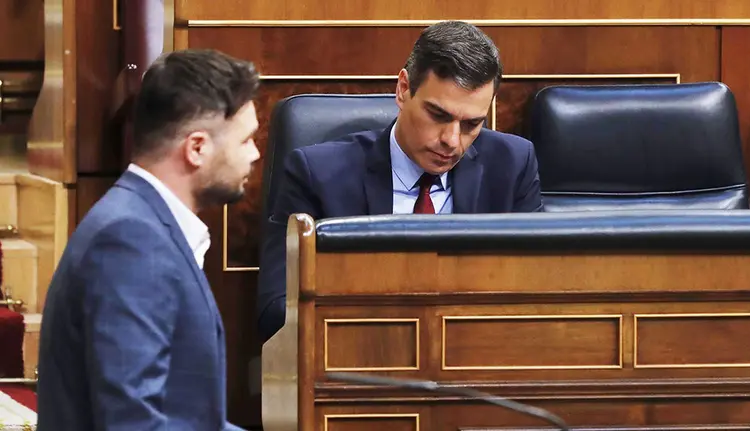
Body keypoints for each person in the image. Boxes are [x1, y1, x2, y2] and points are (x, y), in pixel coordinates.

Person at [257, 21, 544, 342]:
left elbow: (537, 293)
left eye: (471, 124)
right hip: (359, 359)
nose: (452, 140)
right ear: (404, 89)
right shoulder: (317, 174)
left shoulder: (512, 164)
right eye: (438, 115)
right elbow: (276, 309)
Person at [37, 49, 261, 430]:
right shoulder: (132, 241)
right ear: (197, 148)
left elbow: (188, 418)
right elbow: (132, 422)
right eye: (245, 140)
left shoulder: (142, 225)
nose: (255, 154)